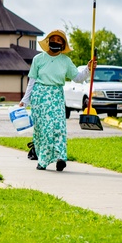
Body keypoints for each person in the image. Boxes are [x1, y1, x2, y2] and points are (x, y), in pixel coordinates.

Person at [19, 29, 96, 171]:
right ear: (48, 42)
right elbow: (32, 81)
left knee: (59, 127)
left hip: (56, 97)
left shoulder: (65, 61)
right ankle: (43, 160)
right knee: (43, 130)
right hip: (40, 96)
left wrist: (88, 69)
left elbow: (78, 78)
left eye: (59, 40)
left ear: (63, 45)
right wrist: (25, 100)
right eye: (53, 39)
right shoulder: (38, 59)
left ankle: (61, 157)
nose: (56, 42)